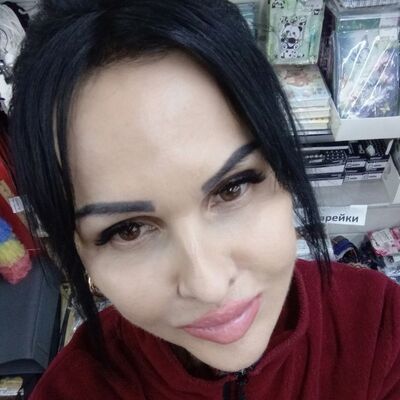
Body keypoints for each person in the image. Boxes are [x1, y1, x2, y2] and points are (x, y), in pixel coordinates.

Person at [8, 1, 400, 399]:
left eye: (232, 188)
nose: (208, 287)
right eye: (128, 230)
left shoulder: (380, 328)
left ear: (282, 170)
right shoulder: (73, 390)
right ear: (79, 250)